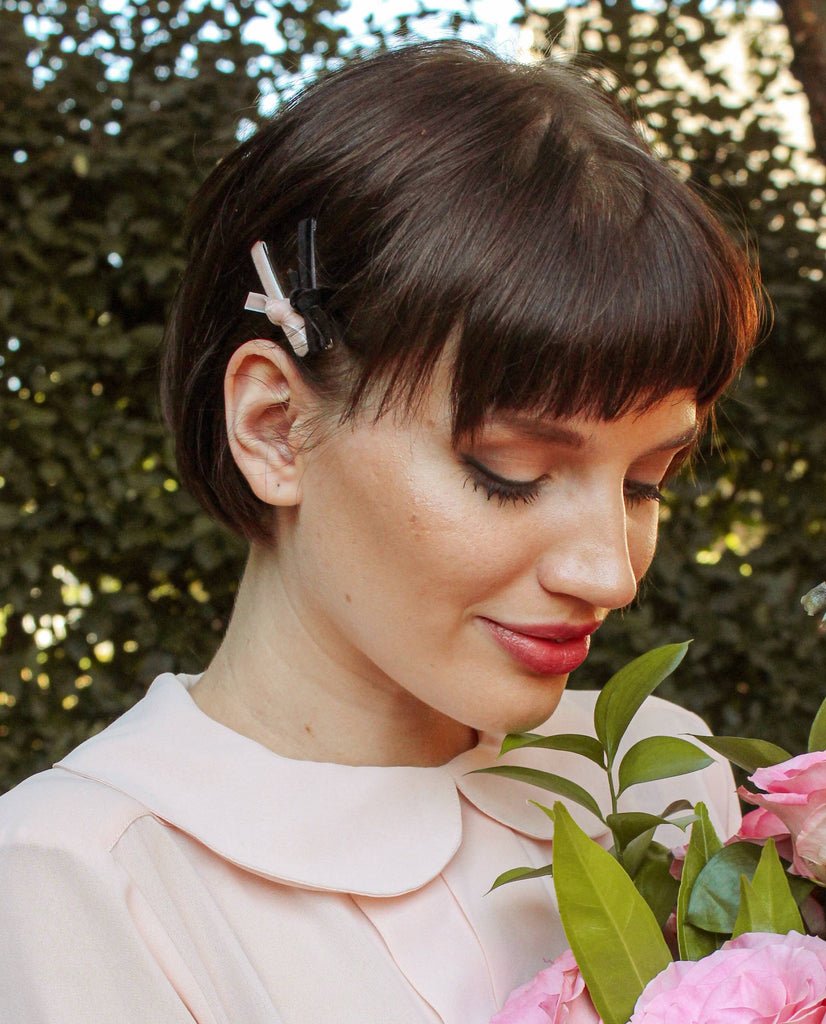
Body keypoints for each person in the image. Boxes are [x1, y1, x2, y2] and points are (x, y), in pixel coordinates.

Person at [0, 40, 762, 1022]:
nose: (610, 575)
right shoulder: (73, 889)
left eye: (647, 482)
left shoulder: (665, 782)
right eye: (511, 471)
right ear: (275, 427)